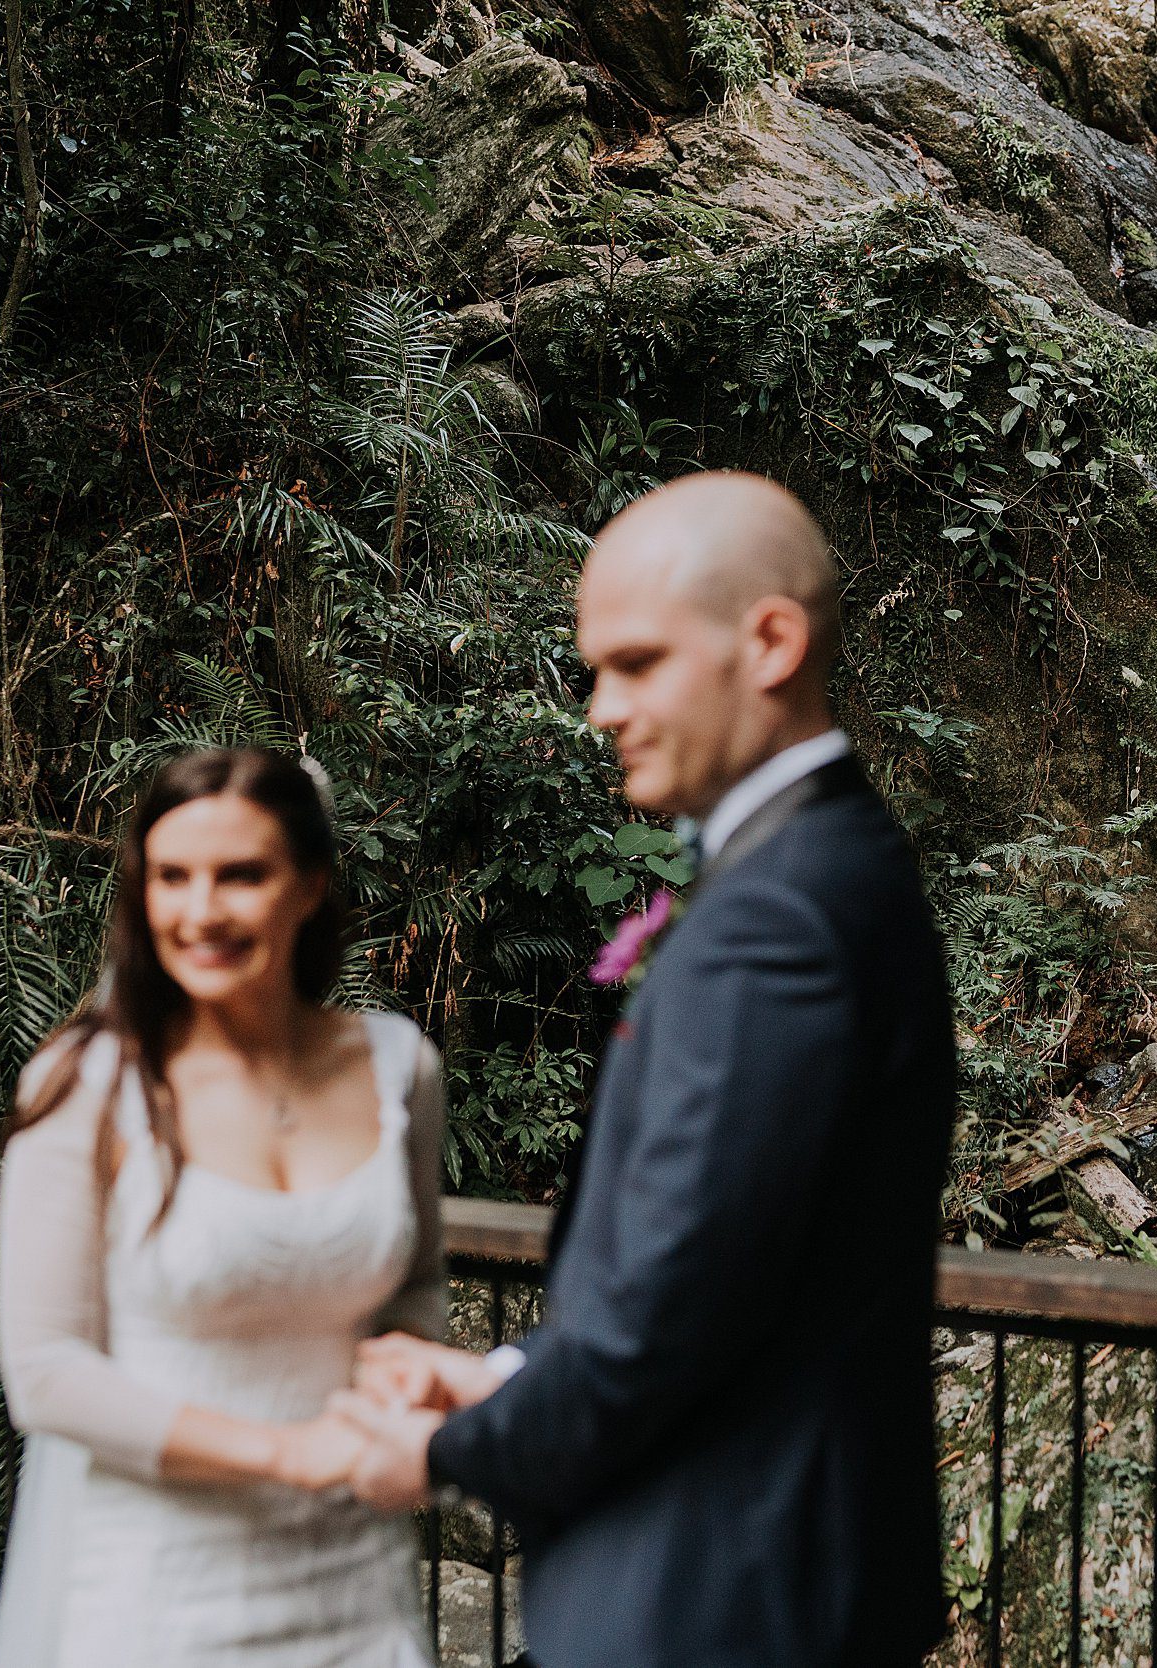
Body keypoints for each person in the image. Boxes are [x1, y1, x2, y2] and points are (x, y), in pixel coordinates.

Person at [334, 472, 958, 1668]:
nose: (600, 709)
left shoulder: (777, 920)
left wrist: (439, 1452)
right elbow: (734, 1274)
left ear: (768, 640)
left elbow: (665, 1322)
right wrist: (501, 1374)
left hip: (723, 1594)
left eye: (634, 664)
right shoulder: (828, 866)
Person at [0, 748, 446, 1668]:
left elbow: (415, 1287)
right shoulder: (89, 1087)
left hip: (354, 1575)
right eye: (172, 877)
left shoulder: (400, 1067)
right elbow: (44, 1371)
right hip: (160, 1586)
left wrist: (409, 1379)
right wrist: (288, 1455)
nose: (202, 912)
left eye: (241, 875)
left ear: (309, 885)